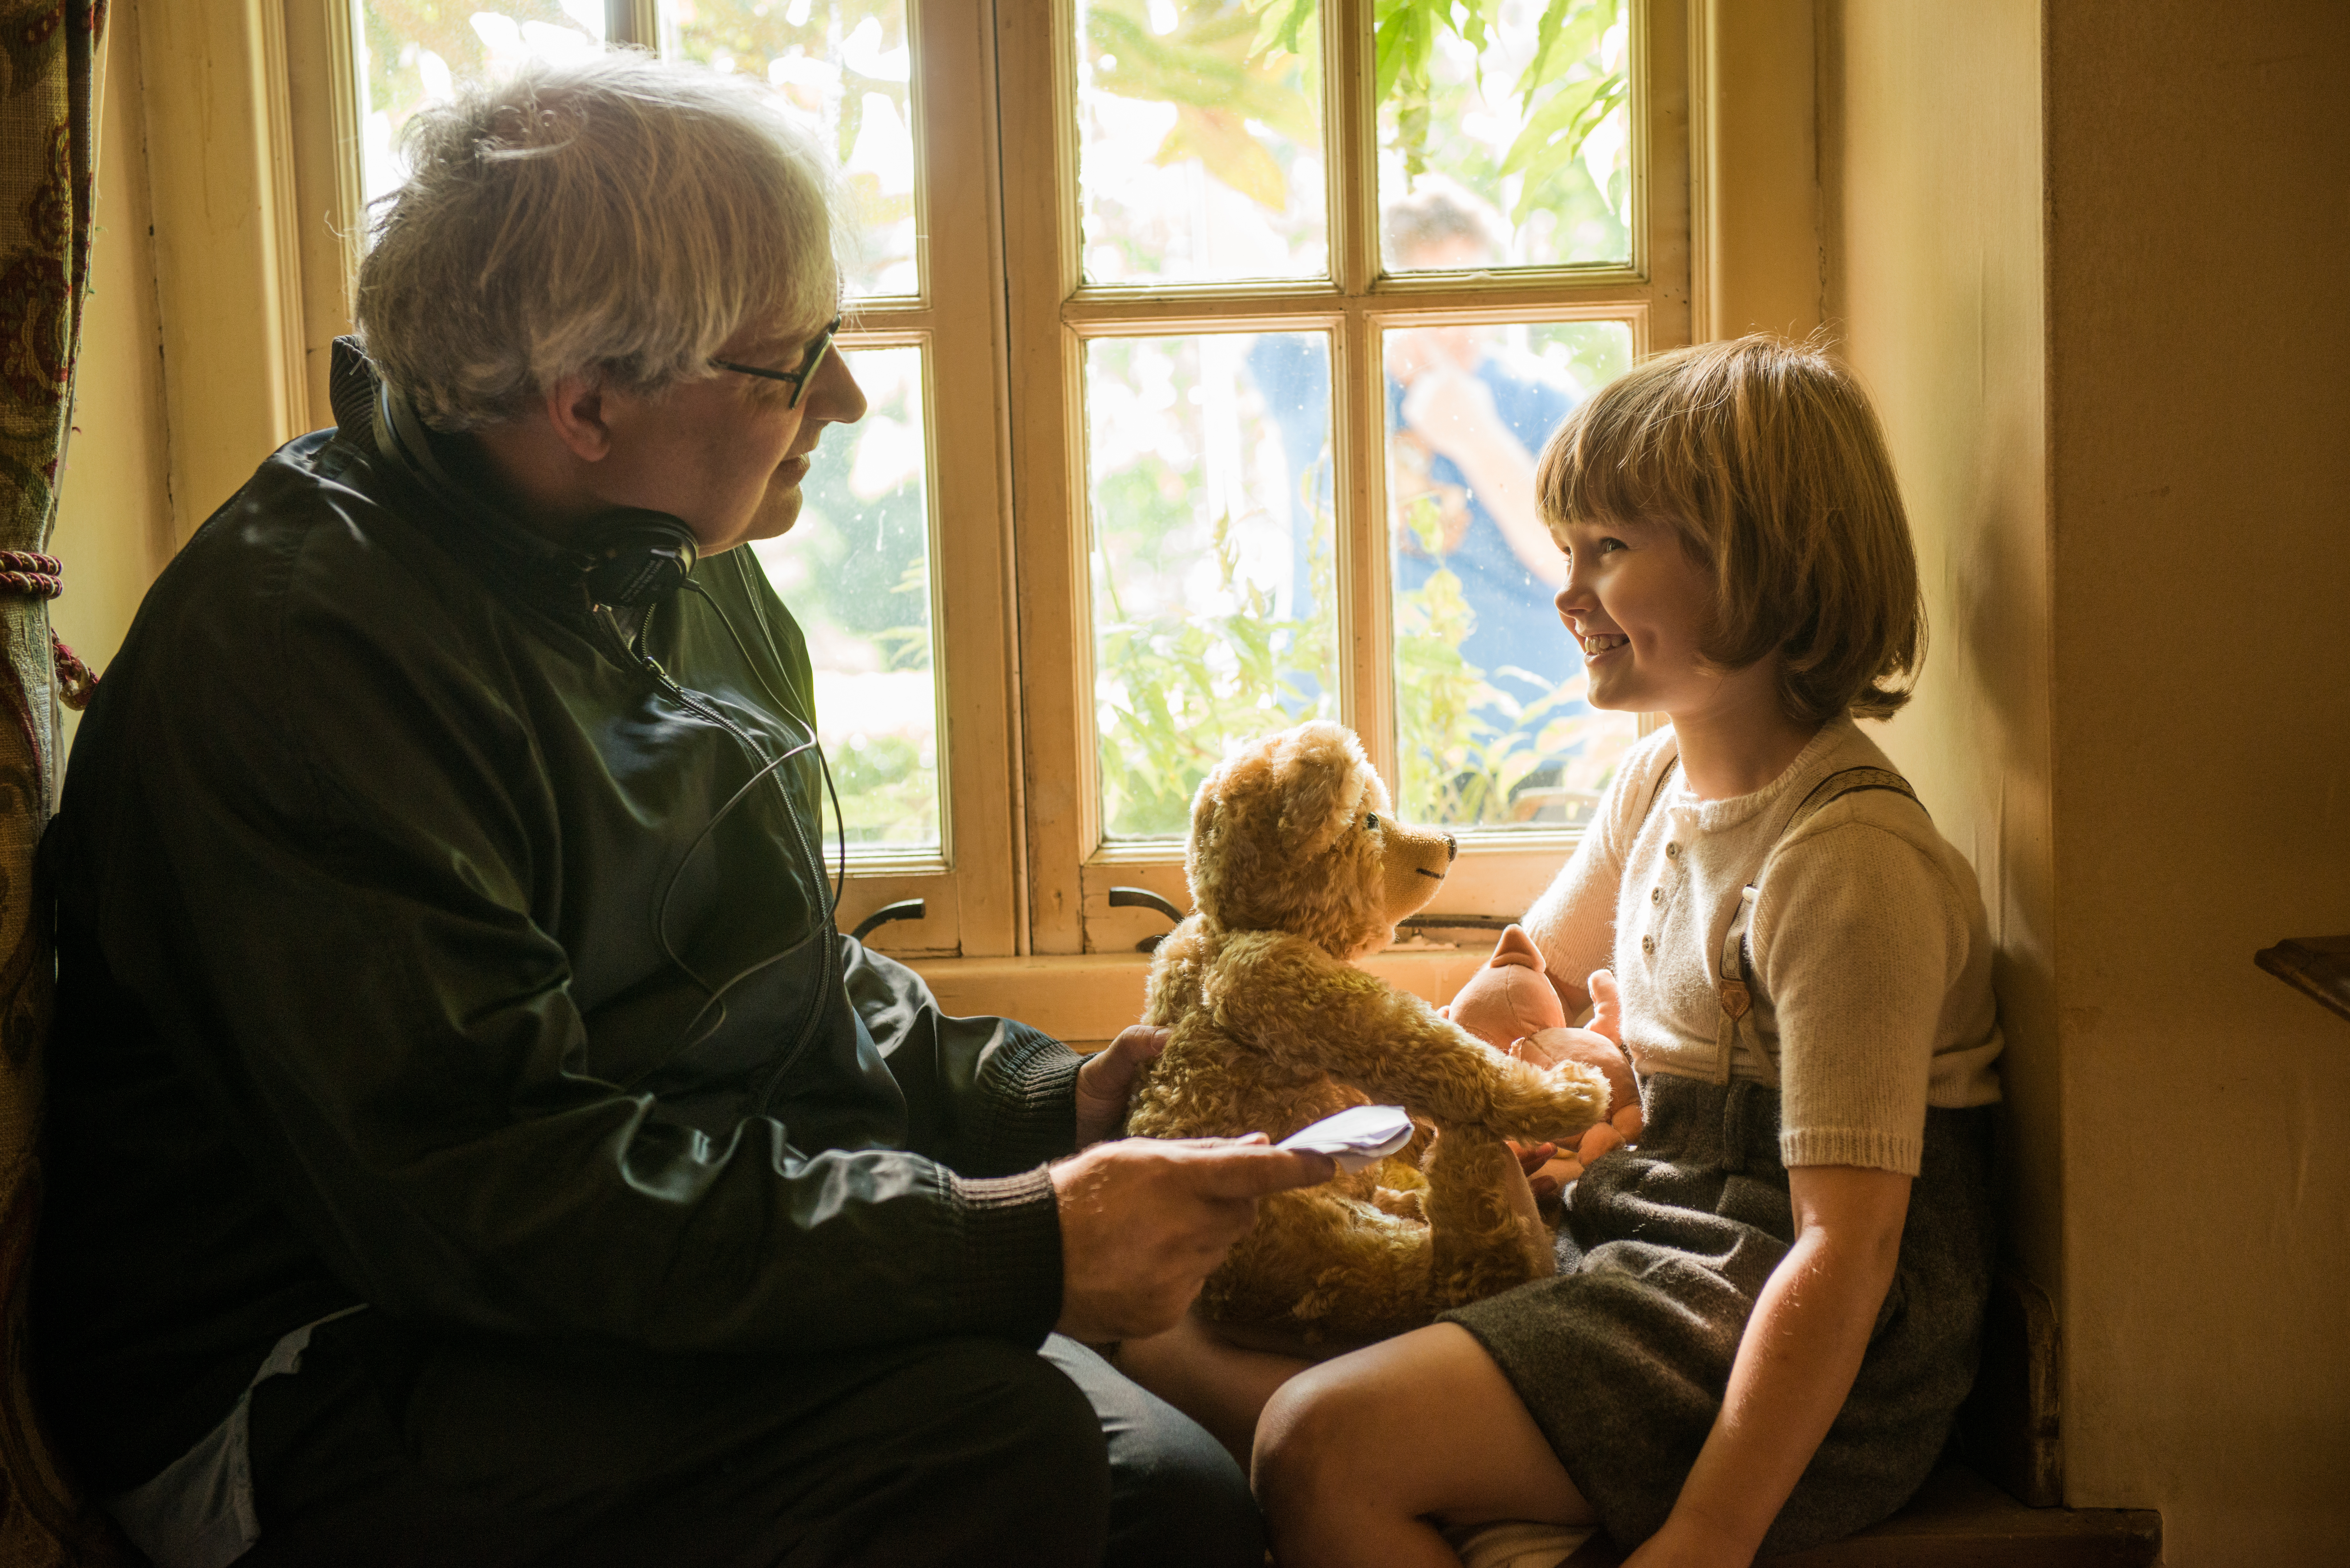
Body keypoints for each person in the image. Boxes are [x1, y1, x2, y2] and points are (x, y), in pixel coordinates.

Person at [33, 55, 1333, 1568]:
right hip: (312, 1359)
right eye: (794, 363)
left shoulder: (663, 560)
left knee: (1174, 1508)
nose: (840, 400)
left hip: (570, 1278)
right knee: (990, 1454)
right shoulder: (305, 659)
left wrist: (1050, 1103)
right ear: (584, 401)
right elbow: (501, 1197)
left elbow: (770, 975)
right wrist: (1017, 1237)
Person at [1152, 335, 2005, 1564]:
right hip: (1640, 1232)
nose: (1566, 592)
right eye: (1569, 550)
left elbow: (1847, 1248)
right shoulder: (1662, 773)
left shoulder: (1845, 868)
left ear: (1763, 563)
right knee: (1167, 1334)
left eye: (1609, 550)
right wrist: (1504, 1032)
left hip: (1775, 1316)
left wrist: (1710, 1534)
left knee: (1316, 1446)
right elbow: (1533, 968)